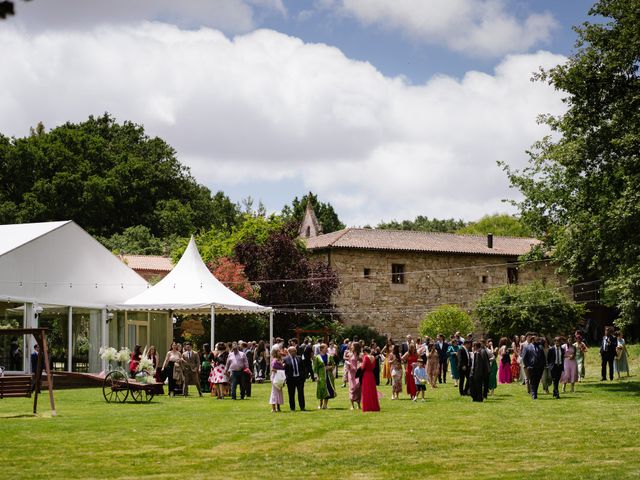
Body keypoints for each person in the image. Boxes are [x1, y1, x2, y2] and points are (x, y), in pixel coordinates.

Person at [521, 335, 546, 400]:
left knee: (537, 380)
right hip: (531, 367)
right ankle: (533, 394)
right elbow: (524, 358)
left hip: (540, 367)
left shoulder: (540, 347)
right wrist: (527, 366)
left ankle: (535, 392)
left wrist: (543, 365)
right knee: (532, 381)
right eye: (536, 339)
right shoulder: (527, 347)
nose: (537, 340)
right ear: (532, 340)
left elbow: (543, 357)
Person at [312, 343, 336, 409]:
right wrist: (316, 376)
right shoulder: (317, 357)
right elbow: (315, 368)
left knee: (328, 389)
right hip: (321, 376)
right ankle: (320, 404)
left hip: (329, 376)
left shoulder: (329, 356)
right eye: (325, 348)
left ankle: (325, 404)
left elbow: (333, 364)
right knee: (321, 389)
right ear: (321, 349)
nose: (327, 349)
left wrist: (330, 367)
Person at [283, 346, 305, 411]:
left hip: (299, 379)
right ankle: (292, 408)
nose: (294, 352)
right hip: (291, 379)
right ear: (289, 352)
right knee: (291, 394)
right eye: (293, 351)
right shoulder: (285, 359)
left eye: (295, 351)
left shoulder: (299, 358)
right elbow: (284, 370)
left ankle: (302, 407)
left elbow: (303, 368)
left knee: (301, 393)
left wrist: (303, 377)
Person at [360, 346, 380, 412]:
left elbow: (363, 367)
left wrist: (360, 364)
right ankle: (374, 406)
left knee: (366, 390)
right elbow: (373, 367)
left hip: (366, 374)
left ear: (365, 352)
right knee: (372, 390)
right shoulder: (373, 357)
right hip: (371, 374)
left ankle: (367, 406)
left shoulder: (366, 357)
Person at [345, 342, 362, 410]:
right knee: (352, 389)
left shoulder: (360, 355)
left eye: (352, 346)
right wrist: (348, 363)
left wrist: (359, 365)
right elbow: (347, 362)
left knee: (358, 389)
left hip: (358, 373)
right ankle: (352, 405)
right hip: (351, 374)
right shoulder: (349, 354)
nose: (351, 347)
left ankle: (358, 404)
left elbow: (362, 362)